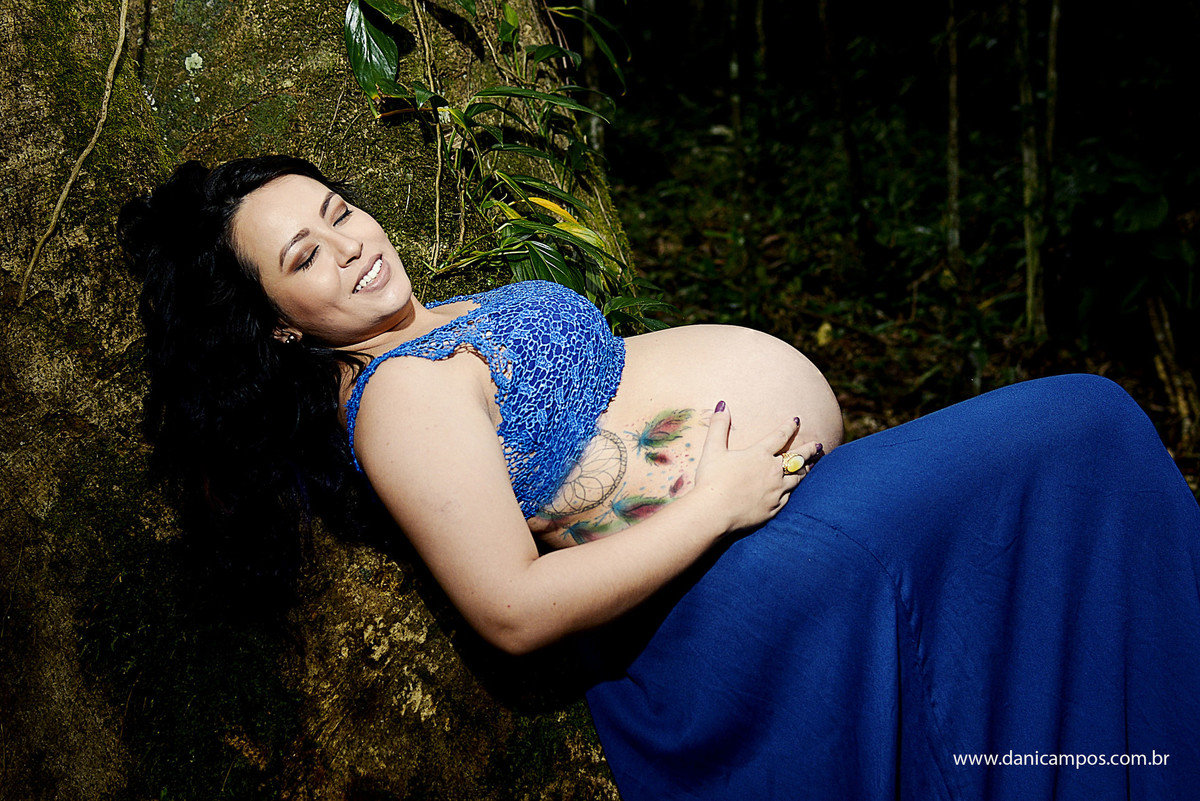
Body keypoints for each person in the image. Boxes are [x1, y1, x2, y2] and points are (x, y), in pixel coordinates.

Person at [120, 155, 1200, 800]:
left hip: (790, 535)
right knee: (1085, 424)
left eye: (336, 213)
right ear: (274, 324)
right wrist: (721, 504)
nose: (347, 246)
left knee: (1069, 466)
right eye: (302, 258)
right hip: (764, 571)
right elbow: (508, 609)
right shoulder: (396, 393)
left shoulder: (433, 321)